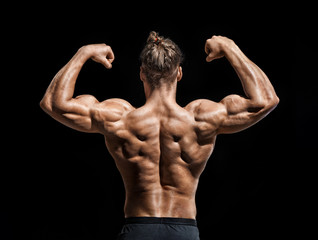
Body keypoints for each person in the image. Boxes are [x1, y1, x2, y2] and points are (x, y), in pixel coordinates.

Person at [40, 31, 279, 240]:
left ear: (142, 73)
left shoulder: (119, 118)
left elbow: (53, 103)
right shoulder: (200, 118)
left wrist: (83, 52)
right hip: (184, 231)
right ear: (179, 74)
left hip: (138, 230)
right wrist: (230, 48)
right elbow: (266, 100)